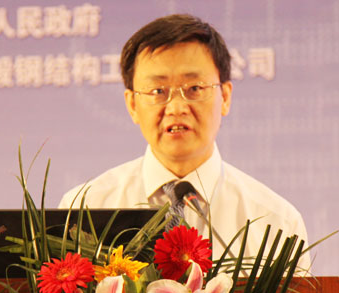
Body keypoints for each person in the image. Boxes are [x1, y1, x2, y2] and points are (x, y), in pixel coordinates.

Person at [59, 14, 311, 270]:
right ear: (132, 104)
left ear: (224, 97)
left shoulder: (276, 223)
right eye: (158, 91)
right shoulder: (83, 211)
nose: (176, 107)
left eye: (194, 89)